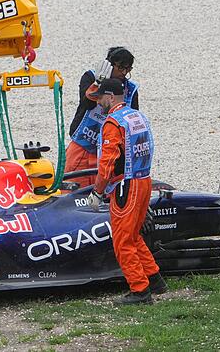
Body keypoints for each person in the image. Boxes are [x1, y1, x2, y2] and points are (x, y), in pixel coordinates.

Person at [86, 78, 165, 305]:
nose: (98, 102)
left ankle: (140, 290)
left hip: (125, 186)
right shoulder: (138, 116)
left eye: (100, 97)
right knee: (133, 235)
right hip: (144, 181)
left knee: (122, 241)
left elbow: (107, 163)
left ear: (110, 97)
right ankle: (155, 279)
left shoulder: (112, 123)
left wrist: (97, 191)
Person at [65, 47, 139, 188]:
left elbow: (132, 122)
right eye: (121, 68)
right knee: (70, 190)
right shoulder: (90, 77)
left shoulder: (131, 89)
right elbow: (87, 104)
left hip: (110, 151)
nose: (123, 73)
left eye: (128, 69)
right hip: (83, 145)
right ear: (109, 65)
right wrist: (98, 84)